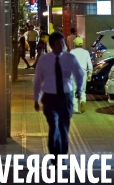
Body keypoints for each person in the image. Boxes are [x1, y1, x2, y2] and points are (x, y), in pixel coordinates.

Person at [33, 31, 84, 162]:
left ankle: (62, 156)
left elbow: (79, 74)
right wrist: (36, 99)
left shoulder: (70, 58)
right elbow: (38, 80)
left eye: (62, 43)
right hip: (49, 98)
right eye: (58, 43)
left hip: (66, 97)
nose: (61, 46)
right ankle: (54, 157)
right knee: (53, 127)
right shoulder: (44, 60)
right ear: (51, 45)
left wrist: (79, 89)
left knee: (63, 128)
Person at [70, 37, 92, 113]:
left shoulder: (72, 52)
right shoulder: (86, 52)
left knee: (74, 91)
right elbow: (90, 66)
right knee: (82, 90)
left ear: (74, 44)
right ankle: (83, 101)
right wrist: (89, 75)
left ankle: (75, 108)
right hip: (83, 73)